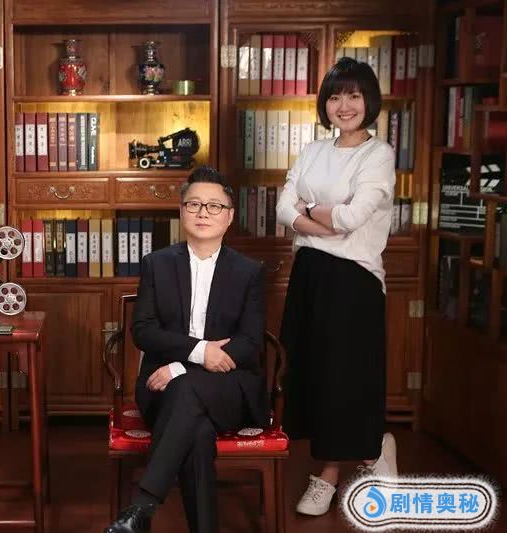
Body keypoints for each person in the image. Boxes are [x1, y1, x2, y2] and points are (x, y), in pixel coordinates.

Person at [105, 166, 268, 533]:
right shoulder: (157, 264)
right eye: (194, 204)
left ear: (229, 216)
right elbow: (143, 331)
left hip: (228, 390)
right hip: (162, 390)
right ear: (181, 212)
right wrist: (199, 351)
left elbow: (250, 342)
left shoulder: (249, 271)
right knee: (197, 431)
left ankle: (141, 508)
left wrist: (182, 365)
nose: (203, 213)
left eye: (214, 206)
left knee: (186, 389)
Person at [276, 57, 398, 517]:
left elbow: (354, 216)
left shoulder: (378, 154)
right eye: (334, 96)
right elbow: (283, 209)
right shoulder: (313, 151)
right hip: (309, 273)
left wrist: (310, 213)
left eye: (353, 95)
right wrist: (323, 219)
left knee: (343, 378)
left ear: (369, 101)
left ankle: (331, 473)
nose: (343, 105)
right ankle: (371, 449)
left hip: (354, 279)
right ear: (324, 104)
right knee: (307, 373)